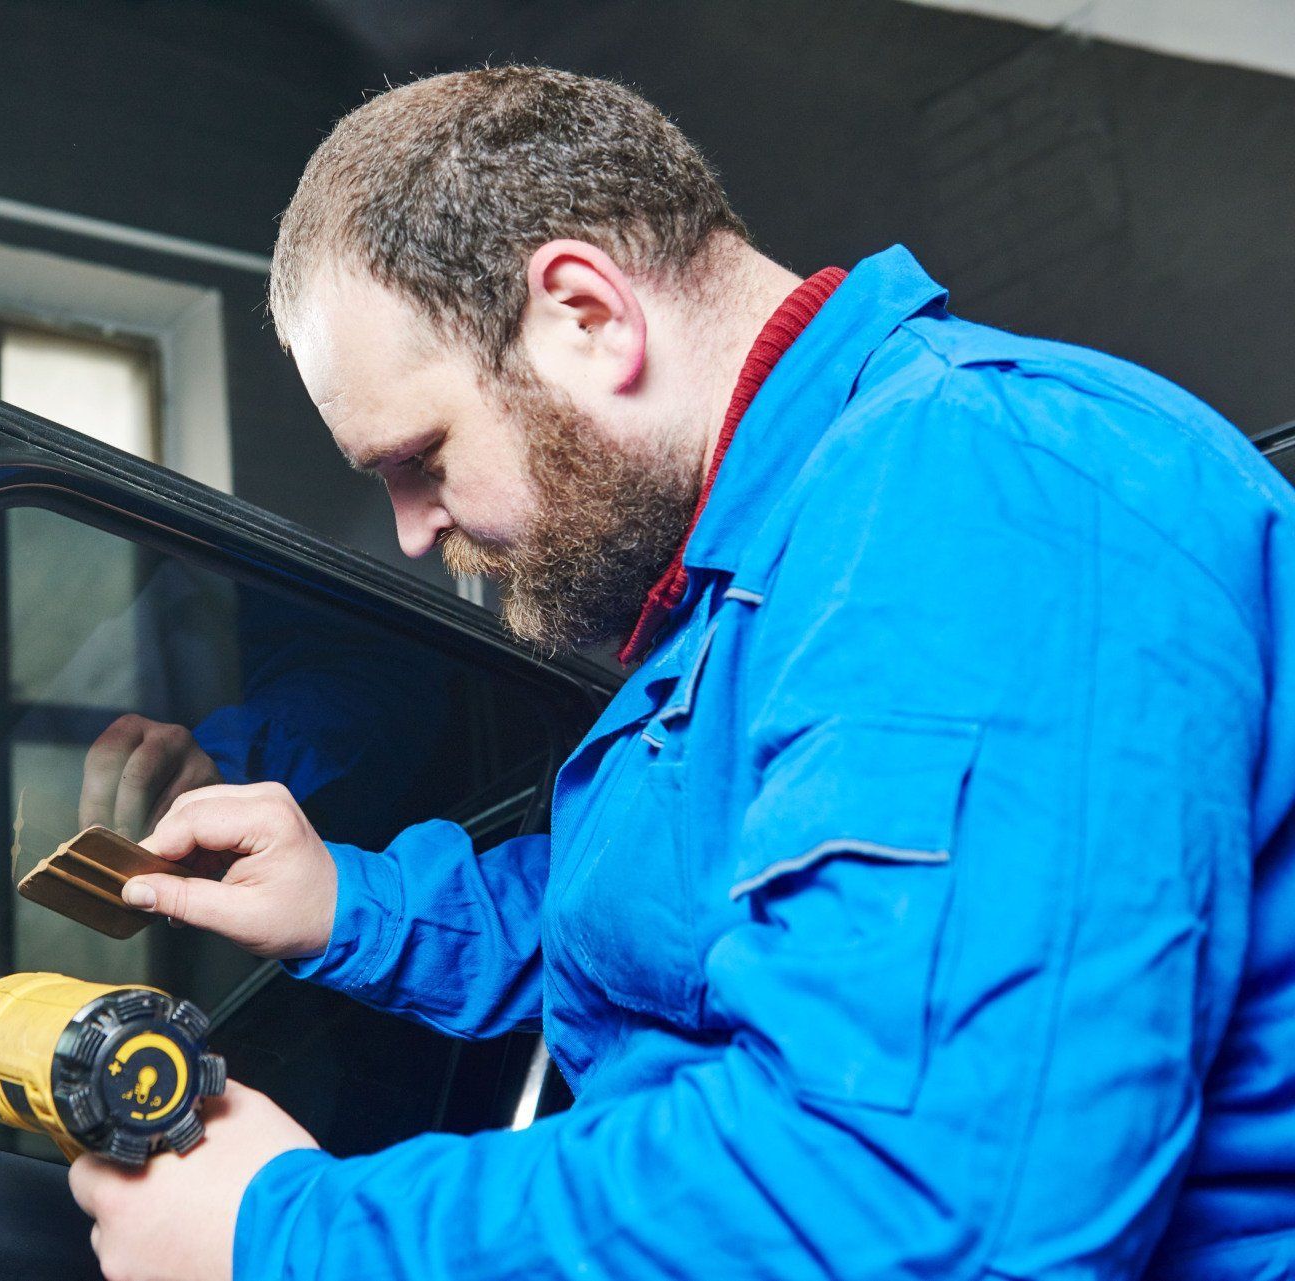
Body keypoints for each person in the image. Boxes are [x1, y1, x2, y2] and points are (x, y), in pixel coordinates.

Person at [68, 66, 1295, 1280]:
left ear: (588, 315)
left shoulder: (988, 498)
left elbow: (912, 1194)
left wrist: (289, 1238)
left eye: (422, 458)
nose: (411, 527)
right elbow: (688, 914)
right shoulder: (764, 560)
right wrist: (354, 904)